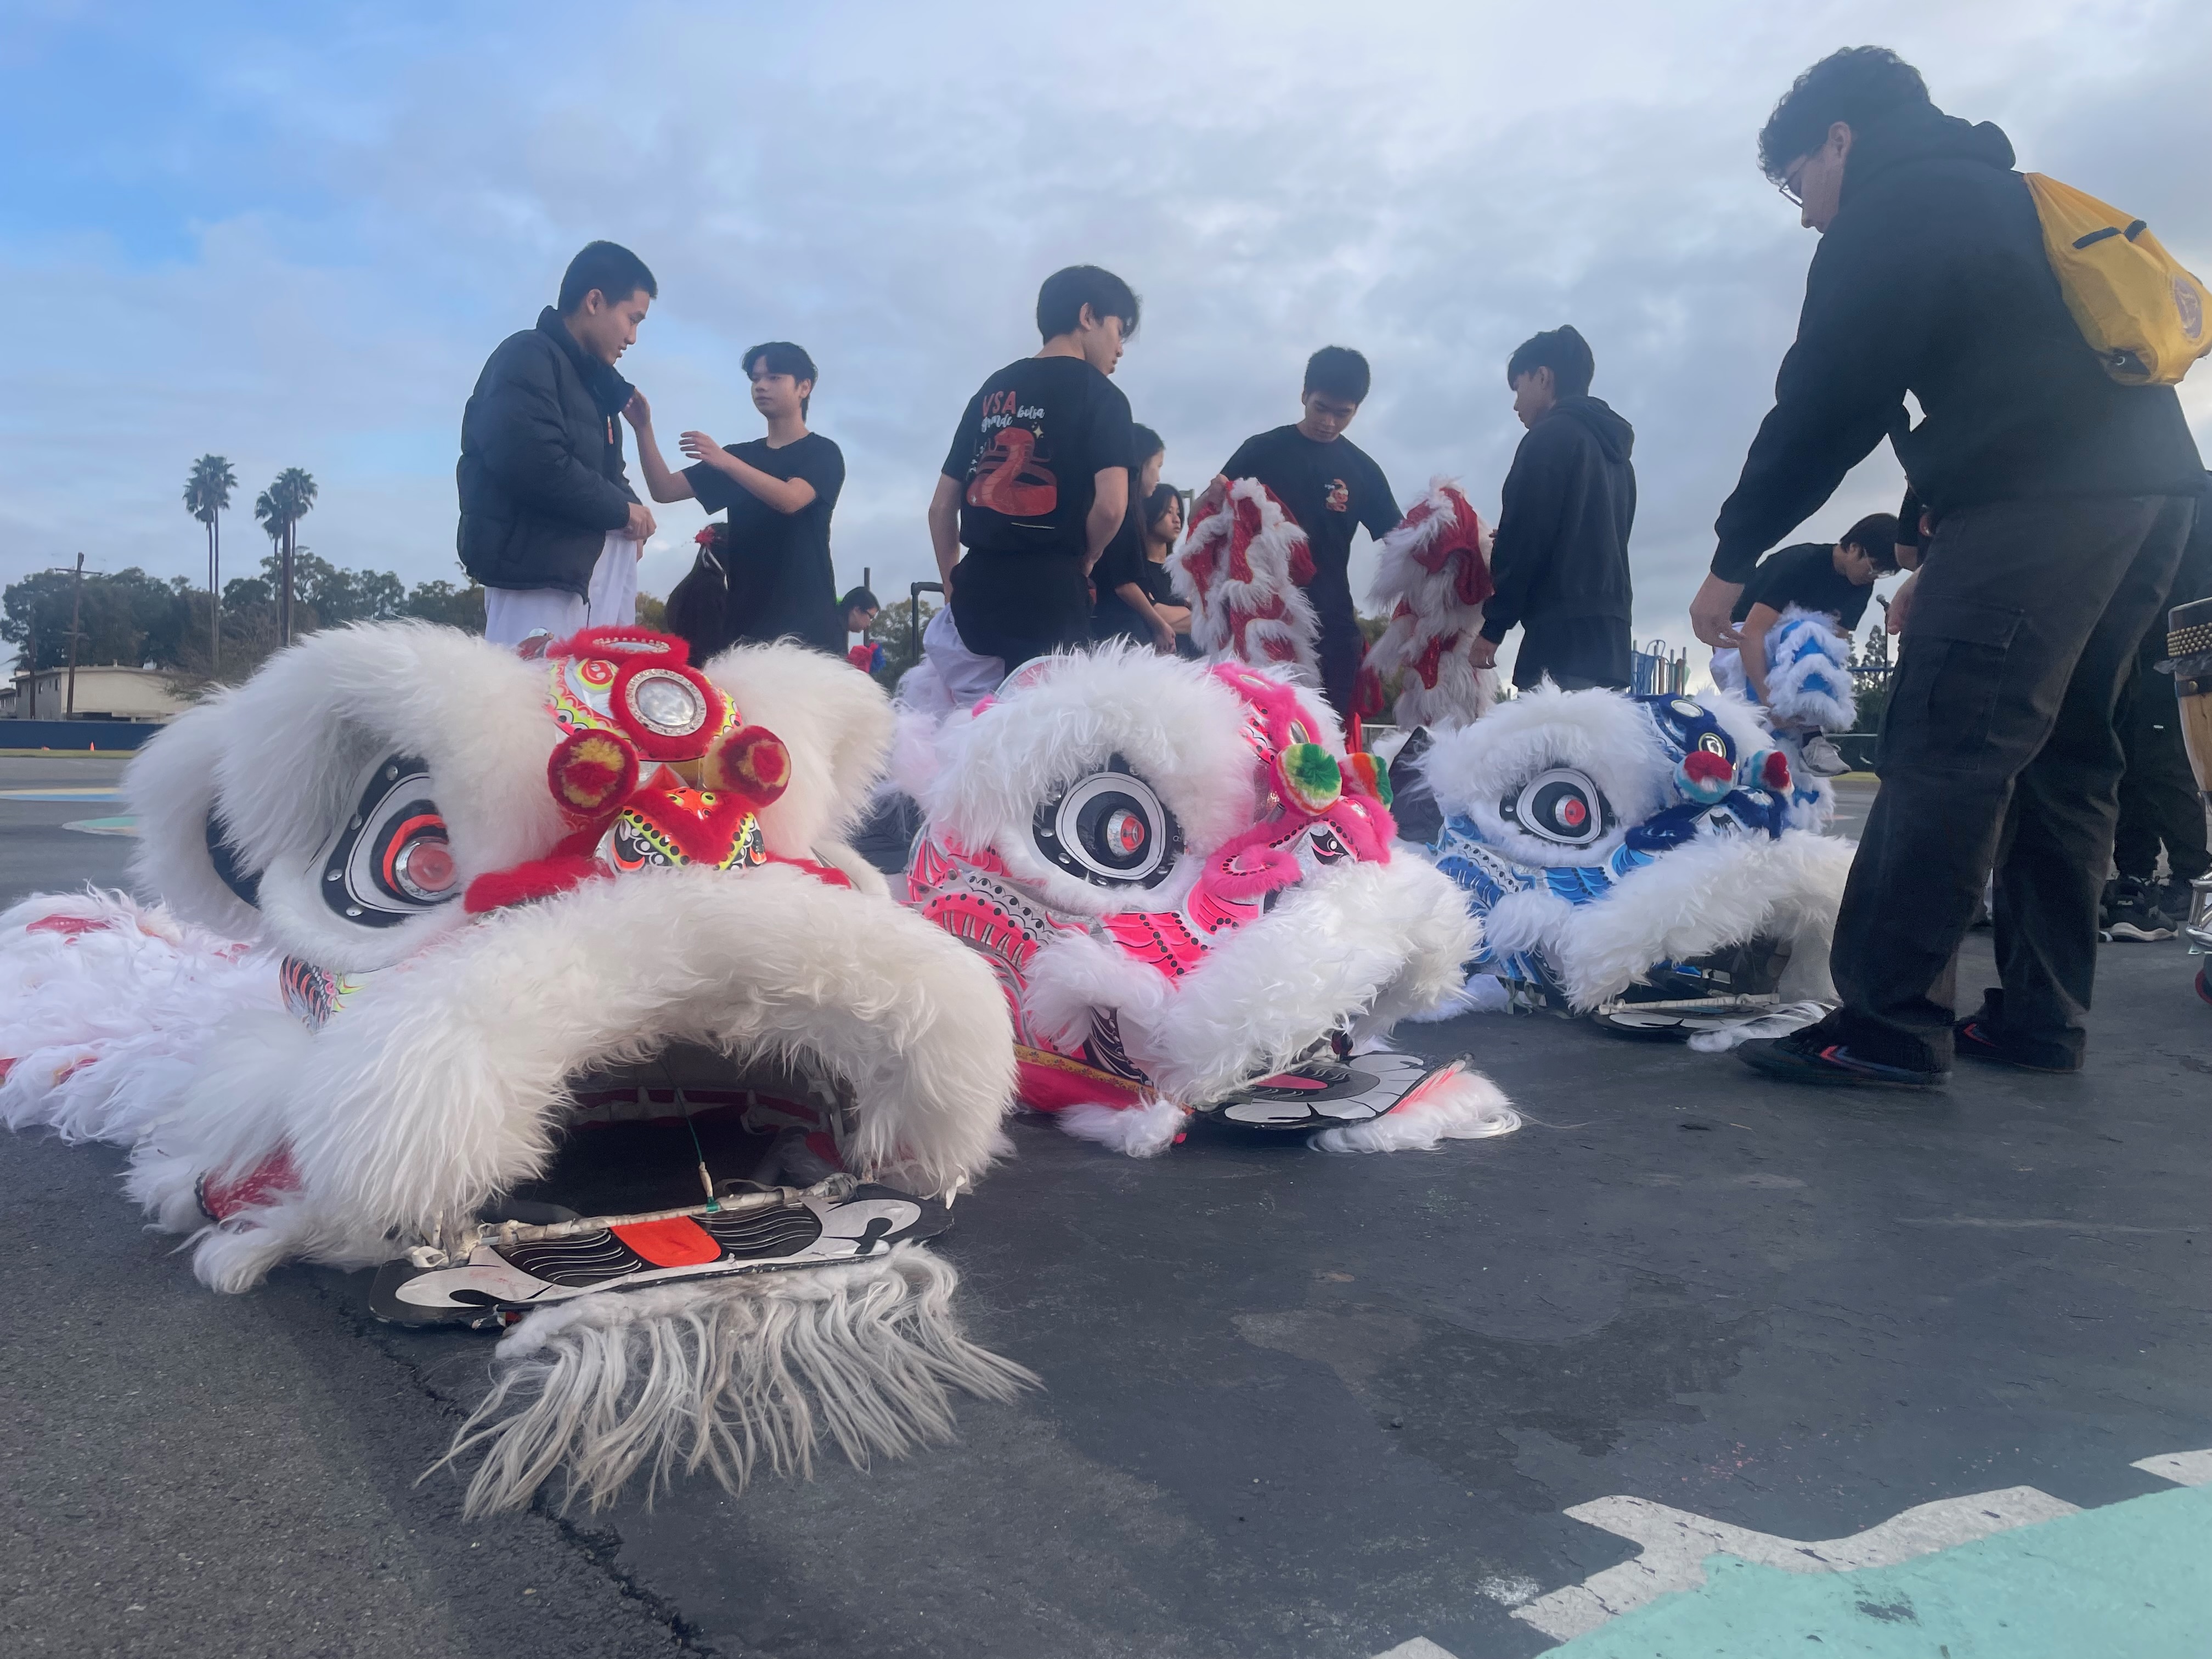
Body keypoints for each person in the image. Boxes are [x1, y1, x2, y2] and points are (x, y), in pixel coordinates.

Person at [1692, 48, 2202, 1086]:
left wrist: (1733, 558)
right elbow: (2002, 371)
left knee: (1944, 742)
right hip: (2152, 498)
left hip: (2039, 497)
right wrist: (1935, 535)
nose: (1805, 214)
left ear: (1841, 140)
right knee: (2068, 751)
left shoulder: (1896, 208)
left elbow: (1826, 407)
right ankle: (2041, 1020)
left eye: (1798, 181)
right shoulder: (2007, 197)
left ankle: (1886, 1026)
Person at [929, 266, 1138, 674]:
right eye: (1119, 330)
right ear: (1088, 316)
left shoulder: (991, 389)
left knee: (974, 711)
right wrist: (1088, 558)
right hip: (1052, 592)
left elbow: (940, 509)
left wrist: (952, 588)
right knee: (1042, 711)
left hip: (976, 590)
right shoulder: (1103, 396)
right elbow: (1112, 506)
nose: (1120, 349)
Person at [459, 241, 659, 645]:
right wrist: (623, 511)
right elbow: (533, 460)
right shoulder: (527, 355)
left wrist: (634, 511)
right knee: (528, 687)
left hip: (588, 579)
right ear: (594, 301)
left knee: (596, 687)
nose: (633, 337)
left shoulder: (597, 387)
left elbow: (609, 474)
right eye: (632, 319)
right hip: (535, 579)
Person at [1216, 347, 1400, 722]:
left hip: (1332, 625)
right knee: (1262, 729)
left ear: (1357, 410)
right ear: (1304, 395)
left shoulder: (1362, 471)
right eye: (1321, 408)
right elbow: (1214, 519)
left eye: (1342, 414)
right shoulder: (1261, 452)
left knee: (1327, 734)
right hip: (1263, 621)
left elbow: (1402, 540)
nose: (1328, 422)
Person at [630, 341, 845, 658]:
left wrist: (726, 462)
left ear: (804, 387)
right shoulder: (739, 456)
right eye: (755, 379)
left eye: (774, 377)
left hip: (810, 627)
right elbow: (665, 490)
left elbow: (791, 500)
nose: (761, 386)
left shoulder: (822, 452)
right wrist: (643, 428)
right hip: (744, 626)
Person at [1472, 326, 1637, 691]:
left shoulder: (1548, 438)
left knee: (1550, 730)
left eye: (1519, 388)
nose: (1516, 405)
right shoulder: (1617, 456)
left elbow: (1527, 540)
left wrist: (1493, 628)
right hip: (1612, 644)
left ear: (1543, 377)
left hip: (1560, 642)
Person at [2106, 472, 2212, 939]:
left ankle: (2189, 875)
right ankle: (2138, 873)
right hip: (2142, 643)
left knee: (2163, 763)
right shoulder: (2146, 486)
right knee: (2131, 761)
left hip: (2177, 645)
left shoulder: (2192, 490)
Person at [1728, 511, 1900, 773]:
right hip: (1739, 644)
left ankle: (1810, 738)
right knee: (1808, 631)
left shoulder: (1861, 587)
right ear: (1855, 548)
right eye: (1874, 566)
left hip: (1785, 657)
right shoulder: (1801, 563)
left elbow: (1835, 648)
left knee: (1819, 643)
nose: (1874, 576)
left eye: (1883, 573)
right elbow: (1751, 633)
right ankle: (1810, 738)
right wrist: (1768, 698)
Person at [1091, 426, 1176, 652]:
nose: (1159, 477)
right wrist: (1159, 625)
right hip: (1121, 630)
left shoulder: (1121, 509)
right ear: (1141, 463)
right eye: (1158, 466)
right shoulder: (1123, 510)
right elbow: (1124, 585)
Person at [1095, 479, 1190, 652]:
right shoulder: (1134, 569)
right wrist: (1192, 615)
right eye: (1169, 512)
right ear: (1150, 512)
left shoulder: (1179, 570)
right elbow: (1157, 613)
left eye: (1178, 513)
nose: (1177, 520)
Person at [841, 585, 885, 674]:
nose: (869, 624)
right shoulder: (833, 631)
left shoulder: (840, 629)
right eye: (870, 617)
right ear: (857, 610)